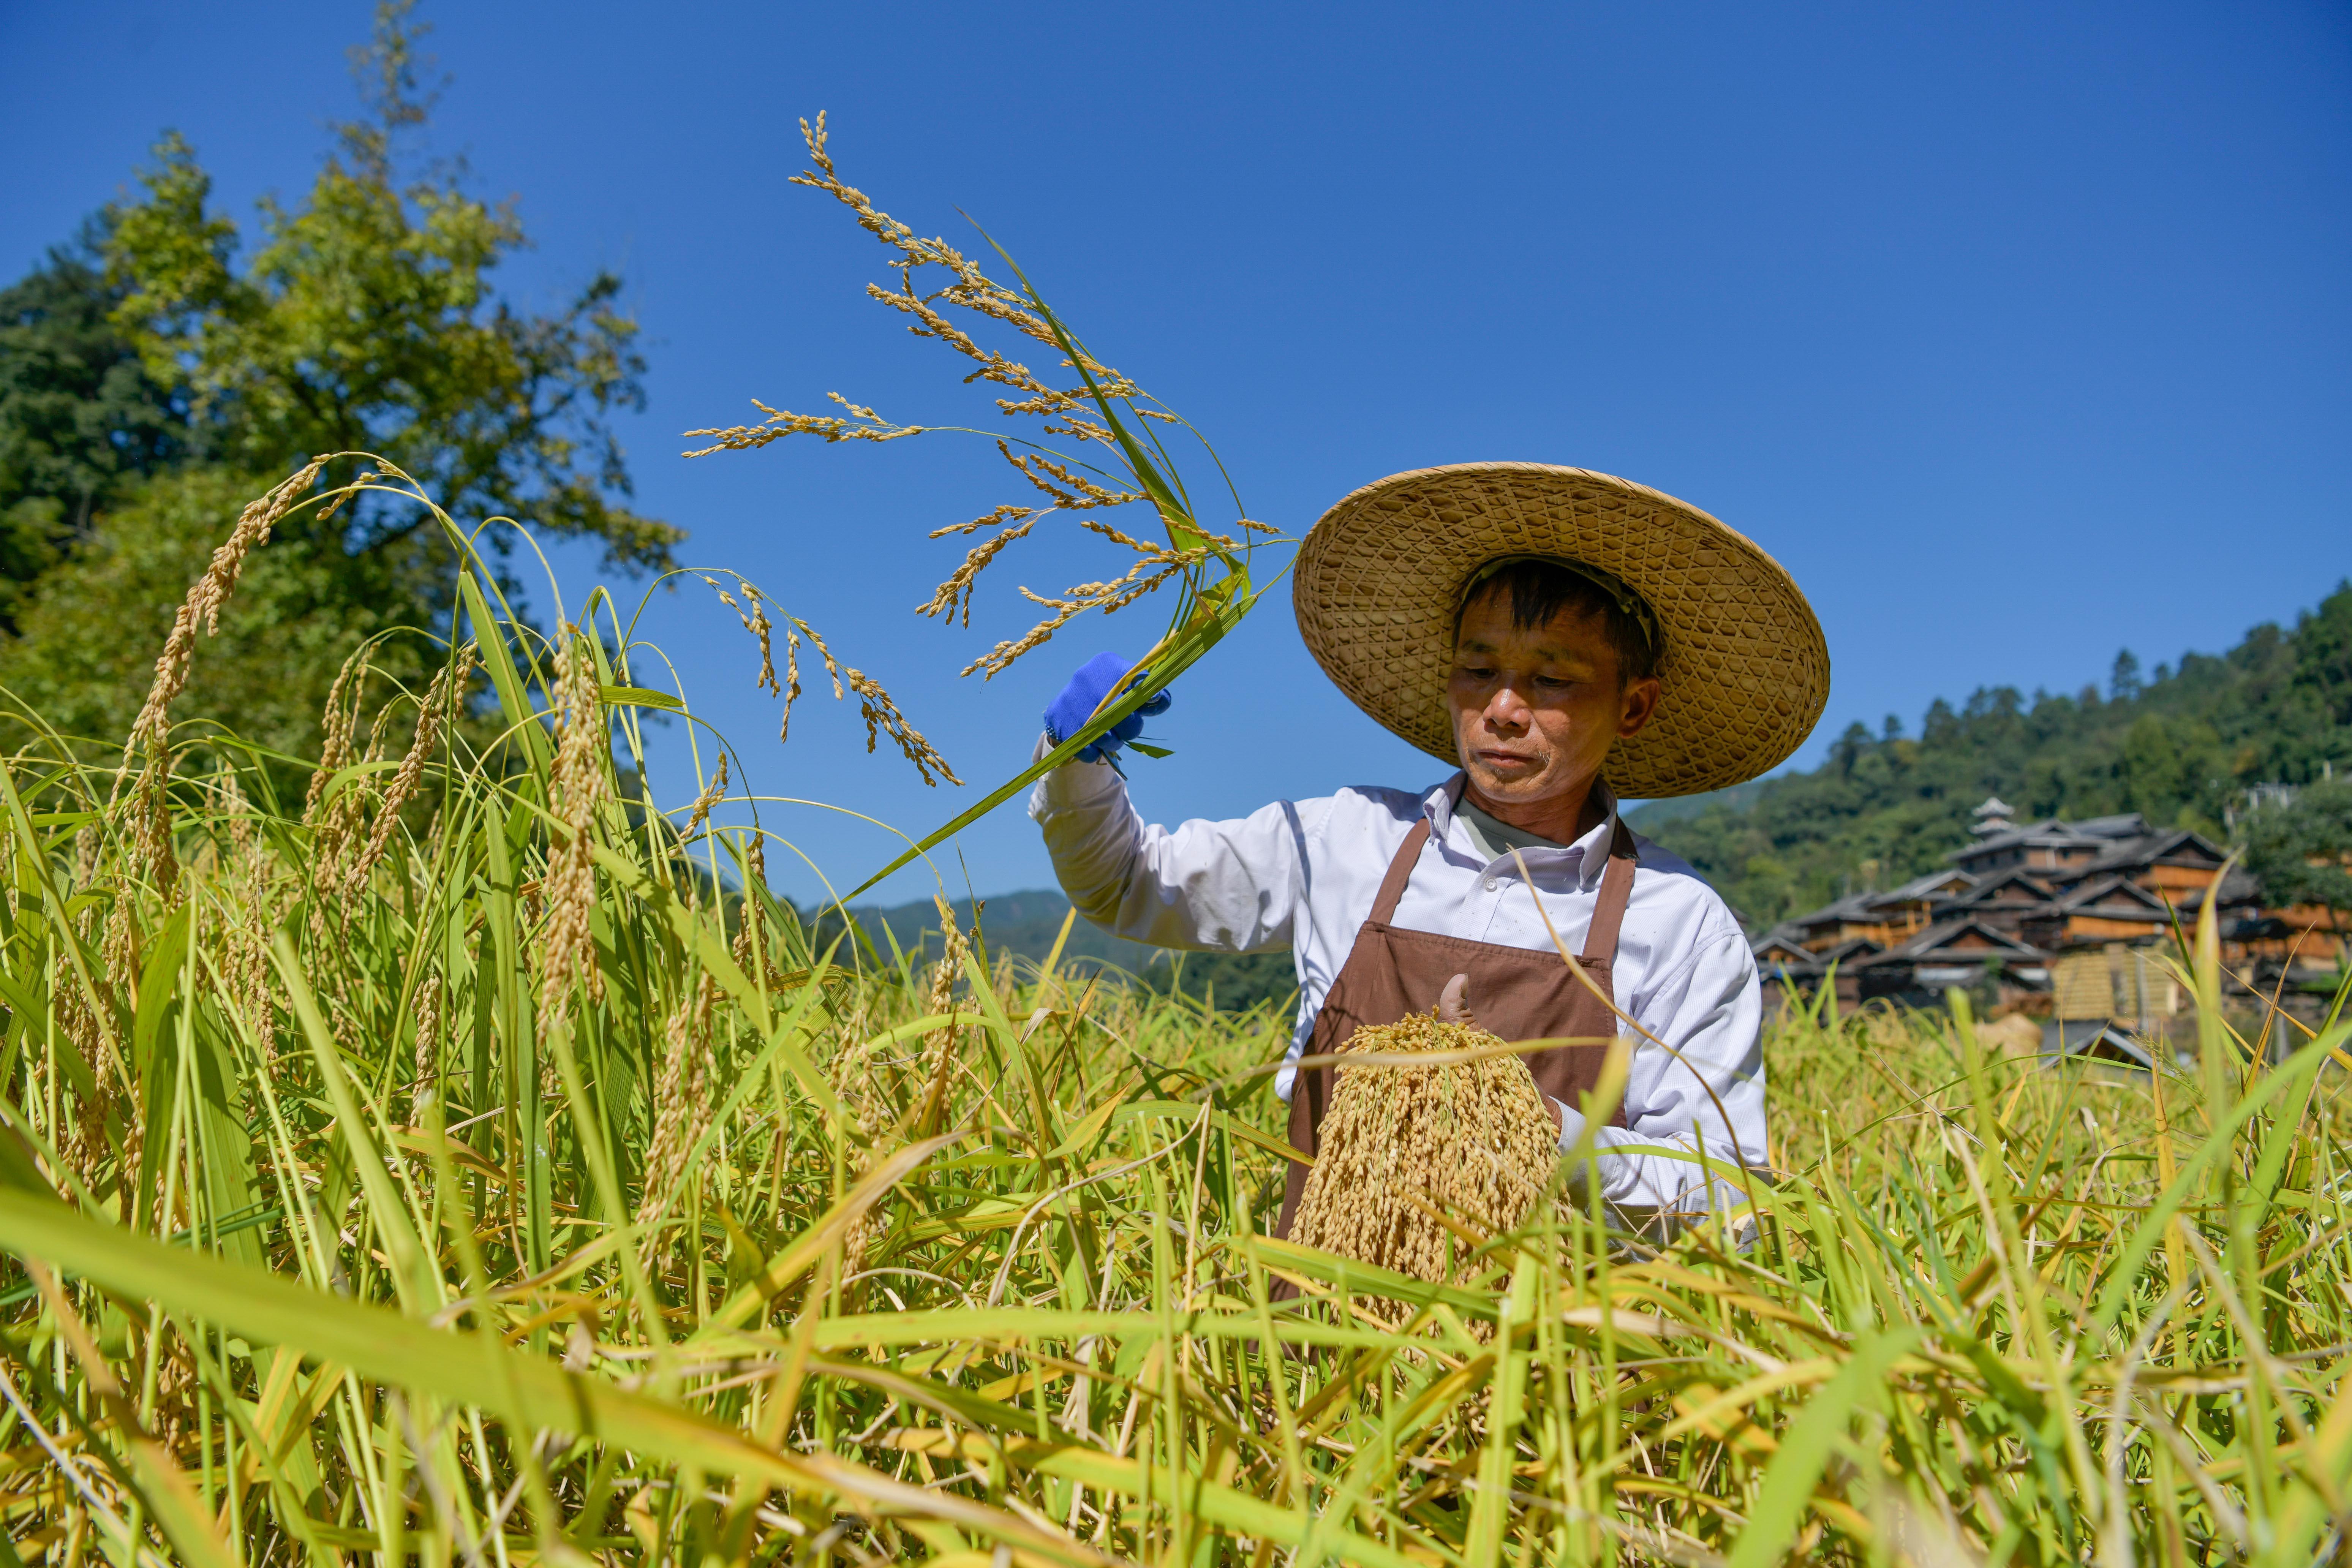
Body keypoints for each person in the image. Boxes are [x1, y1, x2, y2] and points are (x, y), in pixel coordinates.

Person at [1028, 463, 1828, 1236]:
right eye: (1478, 669)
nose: (1504, 708)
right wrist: (1078, 762)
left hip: (1556, 1363)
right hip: (1314, 1355)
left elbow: (1730, 1207)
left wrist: (1533, 1122)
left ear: (1635, 706)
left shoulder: (1681, 922)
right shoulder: (1348, 839)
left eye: (1553, 681)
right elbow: (1130, 886)